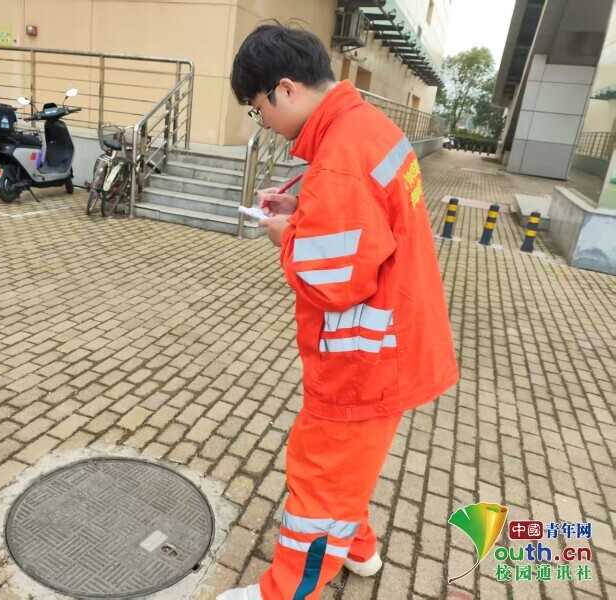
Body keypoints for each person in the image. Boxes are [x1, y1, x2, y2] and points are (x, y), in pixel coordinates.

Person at [218, 23, 458, 600]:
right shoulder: (365, 127)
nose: (263, 123)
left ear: (285, 89)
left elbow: (332, 281)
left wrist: (286, 234)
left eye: (257, 109)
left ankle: (286, 590)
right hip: (393, 340)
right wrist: (303, 204)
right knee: (350, 464)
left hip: (361, 360)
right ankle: (360, 548)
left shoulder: (339, 158)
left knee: (322, 475)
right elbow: (367, 215)